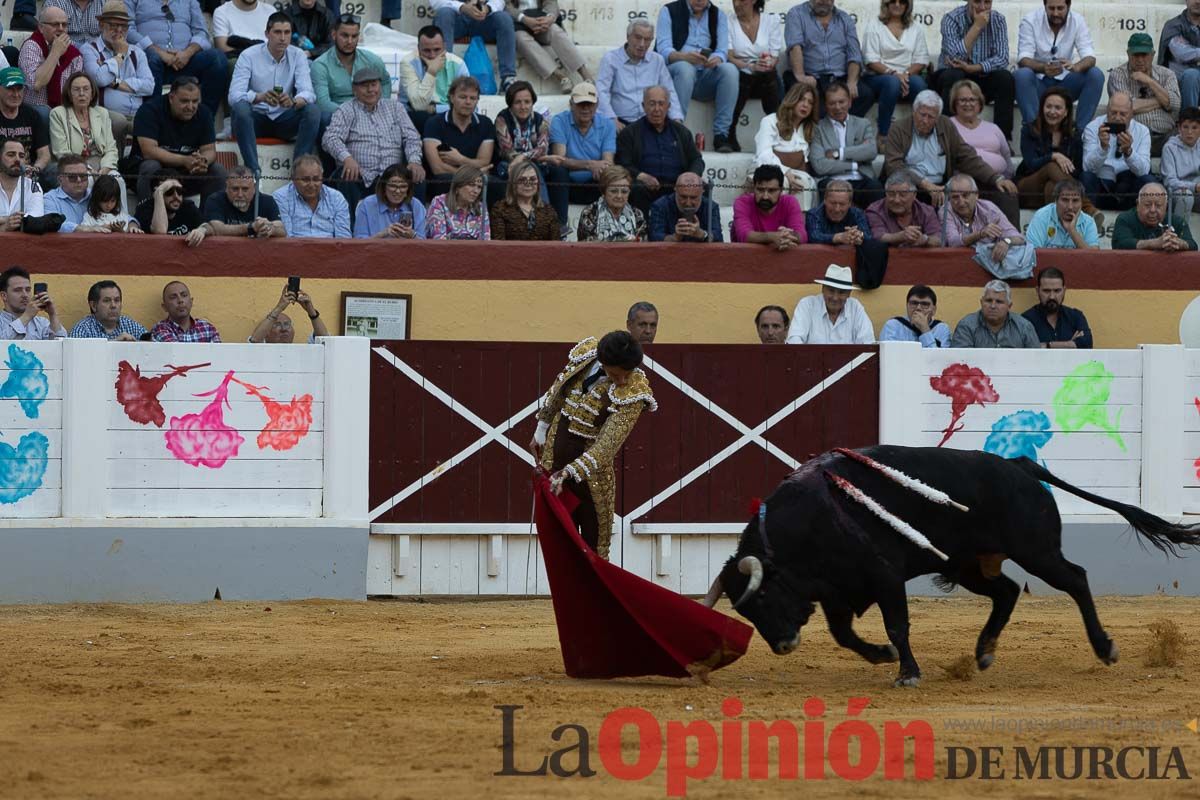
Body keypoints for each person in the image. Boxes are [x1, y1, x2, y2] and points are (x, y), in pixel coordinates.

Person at [530, 330, 656, 560]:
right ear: (603, 362)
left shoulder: (635, 393)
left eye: (628, 374)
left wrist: (568, 472)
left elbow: (605, 447)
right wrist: (541, 430)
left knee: (595, 550)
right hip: (554, 462)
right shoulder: (586, 356)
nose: (622, 381)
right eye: (617, 374)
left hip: (592, 481)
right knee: (559, 545)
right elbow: (559, 389)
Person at [884, 89, 1020, 226]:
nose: (925, 120)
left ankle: (1013, 240)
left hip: (941, 186)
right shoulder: (898, 128)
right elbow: (894, 167)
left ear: (937, 117)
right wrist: (925, 184)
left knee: (1004, 193)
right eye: (922, 115)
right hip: (909, 186)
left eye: (930, 117)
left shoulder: (945, 125)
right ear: (914, 112)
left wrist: (995, 178)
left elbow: (966, 156)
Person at [322, 66, 424, 217]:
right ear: (354, 89)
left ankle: (416, 232)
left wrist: (415, 161)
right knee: (345, 174)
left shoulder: (395, 108)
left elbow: (412, 137)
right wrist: (347, 158)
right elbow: (330, 138)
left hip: (393, 176)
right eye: (365, 86)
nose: (371, 90)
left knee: (417, 175)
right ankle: (350, 232)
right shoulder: (346, 110)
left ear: (380, 86)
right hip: (361, 175)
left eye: (374, 85)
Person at [228, 13, 320, 179]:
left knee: (312, 110)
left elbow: (308, 93)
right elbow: (234, 95)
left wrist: (293, 101)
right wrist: (259, 97)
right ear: (267, 34)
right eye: (277, 32)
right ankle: (253, 171)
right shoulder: (248, 55)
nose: (283, 38)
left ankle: (299, 171)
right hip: (255, 119)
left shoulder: (298, 54)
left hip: (284, 118)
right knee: (240, 108)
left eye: (287, 32)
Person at [656, 0, 740, 153]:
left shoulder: (718, 15)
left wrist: (716, 58)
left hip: (705, 71)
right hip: (676, 70)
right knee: (685, 68)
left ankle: (721, 135)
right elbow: (662, 49)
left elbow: (722, 50)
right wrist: (683, 56)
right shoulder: (668, 10)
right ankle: (676, 129)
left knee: (730, 70)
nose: (700, 1)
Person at [131, 76, 226, 204]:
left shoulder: (204, 113)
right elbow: (149, 151)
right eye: (184, 101)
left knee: (217, 170)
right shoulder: (150, 110)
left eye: (195, 101)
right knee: (151, 165)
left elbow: (209, 150)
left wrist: (202, 161)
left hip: (185, 173)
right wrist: (184, 160)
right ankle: (147, 216)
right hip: (153, 172)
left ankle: (209, 220)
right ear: (171, 98)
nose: (190, 107)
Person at [1014, 0, 1103, 136]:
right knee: (1022, 75)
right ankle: (1034, 132)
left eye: (1060, 8)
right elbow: (1023, 58)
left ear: (1069, 6)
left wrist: (1076, 67)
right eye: (1051, 8)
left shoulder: (1078, 21)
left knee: (1095, 75)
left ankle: (1080, 133)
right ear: (1044, 6)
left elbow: (1090, 57)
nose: (1055, 13)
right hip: (1039, 85)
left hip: (1066, 84)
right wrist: (1043, 68)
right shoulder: (1030, 20)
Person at [126, 0, 230, 116]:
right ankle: (153, 121)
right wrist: (160, 53)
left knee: (217, 59)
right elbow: (128, 31)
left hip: (185, 61)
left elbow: (201, 32)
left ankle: (204, 119)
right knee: (151, 58)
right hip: (150, 61)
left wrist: (187, 53)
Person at [615, 85, 704, 215]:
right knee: (637, 188)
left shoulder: (681, 132)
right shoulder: (630, 133)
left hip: (677, 187)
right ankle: (643, 232)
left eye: (661, 104)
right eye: (652, 104)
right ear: (643, 106)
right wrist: (642, 176)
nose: (657, 109)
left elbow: (697, 159)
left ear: (668, 106)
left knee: (701, 187)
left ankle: (699, 233)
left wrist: (688, 178)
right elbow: (623, 163)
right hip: (645, 187)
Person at [1015, 86, 1100, 224]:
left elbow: (1078, 170)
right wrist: (1054, 156)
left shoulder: (1074, 133)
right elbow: (1030, 163)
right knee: (1051, 166)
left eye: (1058, 108)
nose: (1052, 112)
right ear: (1042, 108)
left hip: (1056, 192)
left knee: (1052, 187)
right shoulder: (1029, 129)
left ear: (1066, 112)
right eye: (1048, 107)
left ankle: (1057, 236)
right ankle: (1086, 207)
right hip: (1028, 187)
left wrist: (1062, 170)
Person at [933, 0, 1014, 142]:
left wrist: (973, 68)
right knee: (953, 75)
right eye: (977, 1)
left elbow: (1002, 59)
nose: (982, 7)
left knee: (1005, 78)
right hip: (954, 76)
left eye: (987, 2)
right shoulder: (951, 19)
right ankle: (946, 138)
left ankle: (1003, 139)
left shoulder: (998, 20)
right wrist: (977, 27)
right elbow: (954, 57)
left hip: (982, 75)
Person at [783, 0, 873, 119]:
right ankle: (823, 132)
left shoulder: (845, 18)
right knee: (813, 105)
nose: (823, 1)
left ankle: (841, 130)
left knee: (865, 94)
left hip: (839, 77)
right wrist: (801, 76)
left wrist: (851, 82)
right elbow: (795, 47)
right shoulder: (796, 14)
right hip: (811, 76)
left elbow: (854, 54)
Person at [50, 71, 126, 206]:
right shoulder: (58, 114)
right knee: (88, 181)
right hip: (77, 166)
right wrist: (88, 170)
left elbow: (111, 148)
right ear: (69, 93)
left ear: (92, 93)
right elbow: (61, 151)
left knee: (117, 179)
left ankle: (122, 221)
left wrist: (105, 168)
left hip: (101, 163)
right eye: (76, 89)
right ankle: (90, 221)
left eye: (86, 89)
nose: (81, 94)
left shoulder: (102, 113)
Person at [82, 0, 154, 144]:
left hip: (136, 114)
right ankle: (117, 164)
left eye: (124, 26)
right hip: (104, 114)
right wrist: (119, 55)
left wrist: (114, 83)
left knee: (154, 121)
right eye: (114, 26)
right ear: (101, 25)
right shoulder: (89, 49)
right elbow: (100, 80)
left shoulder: (137, 52)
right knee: (119, 122)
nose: (120, 30)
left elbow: (149, 86)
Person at [545, 82, 615, 224]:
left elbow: (608, 162)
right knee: (558, 170)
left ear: (596, 105)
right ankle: (561, 225)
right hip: (566, 184)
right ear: (571, 104)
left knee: (612, 174)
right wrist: (590, 165)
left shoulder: (607, 124)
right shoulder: (559, 120)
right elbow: (559, 159)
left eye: (589, 104)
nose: (585, 108)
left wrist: (600, 167)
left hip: (593, 184)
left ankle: (609, 227)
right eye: (580, 104)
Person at [859, 0, 929, 138]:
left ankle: (921, 132)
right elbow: (870, 60)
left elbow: (921, 60)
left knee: (919, 85)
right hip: (878, 76)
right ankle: (883, 134)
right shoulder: (874, 25)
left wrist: (905, 74)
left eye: (902, 2)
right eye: (893, 1)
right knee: (892, 83)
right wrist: (894, 74)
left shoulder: (916, 28)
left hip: (907, 75)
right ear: (886, 3)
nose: (897, 5)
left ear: (908, 5)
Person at [596, 21, 683, 129]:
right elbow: (601, 91)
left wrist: (676, 118)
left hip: (650, 123)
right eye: (638, 37)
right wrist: (611, 119)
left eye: (647, 40)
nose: (642, 44)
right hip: (621, 122)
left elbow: (669, 91)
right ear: (628, 37)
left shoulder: (657, 60)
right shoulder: (610, 59)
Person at [422, 75, 496, 199]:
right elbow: (438, 168)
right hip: (444, 181)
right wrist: (473, 176)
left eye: (473, 98)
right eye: (462, 97)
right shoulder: (434, 123)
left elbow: (484, 161)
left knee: (495, 184)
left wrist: (460, 159)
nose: (468, 102)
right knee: (445, 179)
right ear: (452, 98)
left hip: (473, 180)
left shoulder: (485, 123)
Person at [808, 81, 881, 207]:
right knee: (827, 189)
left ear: (850, 102)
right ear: (825, 105)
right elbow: (820, 165)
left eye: (841, 102)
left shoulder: (863, 124)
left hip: (860, 179)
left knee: (876, 188)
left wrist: (839, 154)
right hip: (832, 180)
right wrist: (854, 163)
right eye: (832, 103)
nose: (837, 107)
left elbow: (871, 151)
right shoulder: (817, 128)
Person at [312, 13, 392, 127]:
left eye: (354, 36)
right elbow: (323, 104)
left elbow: (385, 81)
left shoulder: (372, 60)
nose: (350, 41)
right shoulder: (320, 65)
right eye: (344, 36)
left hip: (371, 114)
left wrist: (380, 106)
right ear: (334, 35)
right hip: (339, 116)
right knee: (325, 118)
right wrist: (355, 114)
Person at [1080, 92, 1155, 212]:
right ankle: (1090, 217)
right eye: (1113, 112)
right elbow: (1087, 168)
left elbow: (1144, 171)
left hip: (1128, 189)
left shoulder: (1142, 131)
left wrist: (1129, 152)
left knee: (1148, 181)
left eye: (1123, 114)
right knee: (1086, 177)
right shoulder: (1093, 127)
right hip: (1102, 186)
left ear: (1131, 113)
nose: (1118, 117)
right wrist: (1102, 148)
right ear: (1107, 110)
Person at [1108, 34, 1181, 157]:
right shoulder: (1118, 74)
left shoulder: (1167, 74)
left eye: (1144, 55)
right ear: (1128, 54)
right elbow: (1129, 107)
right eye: (1136, 55)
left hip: (1166, 136)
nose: (1140, 59)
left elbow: (1175, 105)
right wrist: (1161, 101)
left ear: (1152, 55)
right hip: (1132, 137)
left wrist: (1150, 82)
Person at [728, 0, 783, 149]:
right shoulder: (729, 22)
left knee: (770, 76)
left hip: (765, 73)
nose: (737, 4)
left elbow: (775, 55)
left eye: (741, 0)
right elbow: (729, 56)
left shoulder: (771, 20)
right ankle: (730, 132)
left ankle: (778, 130)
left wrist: (767, 63)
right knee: (745, 78)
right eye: (734, 0)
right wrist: (750, 66)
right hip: (741, 72)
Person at [505, 0, 592, 94]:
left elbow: (551, 3)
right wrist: (524, 19)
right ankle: (561, 77)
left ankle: (586, 76)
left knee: (555, 31)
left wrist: (550, 18)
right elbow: (506, 6)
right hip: (518, 23)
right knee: (520, 39)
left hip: (541, 19)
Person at [753, 82, 817, 206]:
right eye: (801, 100)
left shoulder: (809, 129)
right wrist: (786, 172)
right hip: (767, 169)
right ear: (792, 100)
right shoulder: (770, 121)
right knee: (782, 183)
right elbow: (763, 154)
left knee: (802, 183)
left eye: (810, 102)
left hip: (797, 172)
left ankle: (799, 223)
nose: (805, 105)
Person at [431, 0, 517, 93]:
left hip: (482, 19)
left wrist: (487, 8)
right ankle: (443, 75)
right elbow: (436, 2)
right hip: (456, 18)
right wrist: (462, 7)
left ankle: (508, 78)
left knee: (504, 18)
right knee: (444, 13)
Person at [17, 7, 84, 124]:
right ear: (41, 27)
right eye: (55, 25)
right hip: (35, 109)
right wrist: (55, 53)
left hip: (65, 110)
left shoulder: (74, 55)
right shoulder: (31, 46)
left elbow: (77, 89)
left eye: (64, 25)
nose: (61, 29)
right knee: (46, 114)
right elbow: (36, 83)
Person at [397, 25, 466, 133]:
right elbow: (419, 105)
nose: (432, 55)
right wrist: (432, 71)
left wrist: (435, 109)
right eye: (427, 51)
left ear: (444, 46)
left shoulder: (458, 64)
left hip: (448, 116)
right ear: (418, 48)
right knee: (423, 118)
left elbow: (467, 105)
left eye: (437, 50)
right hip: (414, 117)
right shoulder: (408, 63)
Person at [940, 174, 1024, 262]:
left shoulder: (989, 208)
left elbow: (1018, 237)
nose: (961, 202)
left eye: (965, 195)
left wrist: (1006, 241)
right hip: (957, 263)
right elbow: (953, 242)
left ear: (976, 194)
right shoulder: (945, 210)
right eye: (955, 197)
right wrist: (980, 234)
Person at [785, 263, 874, 345]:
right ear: (823, 289)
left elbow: (867, 343)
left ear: (849, 294)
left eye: (841, 292)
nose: (835, 298)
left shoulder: (855, 308)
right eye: (831, 290)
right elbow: (794, 341)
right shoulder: (807, 305)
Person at [273, 153, 351, 237]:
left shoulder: (336, 198)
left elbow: (343, 239)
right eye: (305, 180)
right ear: (293, 179)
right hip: (295, 249)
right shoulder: (281, 197)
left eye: (316, 179)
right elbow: (286, 238)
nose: (311, 185)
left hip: (331, 249)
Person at [732, 163, 807, 249]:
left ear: (781, 190)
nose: (765, 196)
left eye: (771, 191)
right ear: (754, 188)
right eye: (760, 190)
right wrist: (772, 237)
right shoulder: (742, 203)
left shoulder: (790, 202)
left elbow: (802, 236)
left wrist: (787, 235)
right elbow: (744, 235)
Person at [948, 79, 1012, 178]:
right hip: (964, 185)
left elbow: (1006, 156)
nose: (968, 104)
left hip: (998, 181)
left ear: (980, 103)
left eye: (972, 99)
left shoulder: (993, 128)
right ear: (955, 103)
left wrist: (1008, 179)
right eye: (962, 100)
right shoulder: (948, 125)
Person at [950, 279, 1040, 348]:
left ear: (1009, 305)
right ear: (981, 302)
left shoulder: (1024, 327)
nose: (993, 306)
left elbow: (1037, 361)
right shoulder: (966, 326)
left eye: (999, 302)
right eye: (988, 301)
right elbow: (960, 364)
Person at [203, 164, 285, 238]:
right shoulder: (215, 200)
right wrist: (251, 227)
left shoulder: (267, 201)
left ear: (254, 189)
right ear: (226, 188)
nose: (240, 194)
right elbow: (217, 229)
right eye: (235, 189)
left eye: (245, 189)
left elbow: (282, 230)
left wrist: (270, 229)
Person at [1112, 182, 1198, 251]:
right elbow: (1120, 244)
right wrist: (1154, 243)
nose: (1153, 210)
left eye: (1158, 205)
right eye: (1148, 205)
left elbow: (1193, 245)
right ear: (1138, 204)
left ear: (1166, 206)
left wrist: (1179, 243)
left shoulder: (1177, 221)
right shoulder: (1125, 219)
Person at [493, 80, 549, 187]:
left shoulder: (540, 120)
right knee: (530, 169)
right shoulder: (502, 120)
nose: (523, 107)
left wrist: (523, 156)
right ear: (510, 104)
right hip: (508, 164)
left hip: (535, 164)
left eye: (527, 102)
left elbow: (542, 150)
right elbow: (508, 152)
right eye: (518, 102)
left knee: (557, 171)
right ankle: (540, 204)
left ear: (533, 102)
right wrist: (525, 158)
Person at [0, 68, 52, 181]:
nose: (16, 94)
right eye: (10, 89)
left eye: (19, 89)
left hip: (28, 172)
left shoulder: (32, 115)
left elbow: (44, 154)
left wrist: (34, 170)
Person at [1021, 267, 1091, 349]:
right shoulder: (1026, 320)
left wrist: (1047, 345)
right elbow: (1024, 350)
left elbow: (1087, 343)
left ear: (1064, 290)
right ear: (1037, 291)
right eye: (1046, 291)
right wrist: (1070, 344)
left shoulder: (1075, 317)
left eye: (1057, 291)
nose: (1052, 297)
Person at [490, 156, 558, 240]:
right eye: (522, 179)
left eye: (533, 179)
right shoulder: (500, 209)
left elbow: (556, 244)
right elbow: (497, 245)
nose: (528, 183)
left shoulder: (548, 210)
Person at [866, 170, 939, 247]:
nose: (896, 200)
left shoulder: (927, 211)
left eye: (902, 195)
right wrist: (901, 236)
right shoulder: (875, 210)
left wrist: (925, 239)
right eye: (891, 194)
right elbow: (877, 237)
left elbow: (939, 239)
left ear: (914, 195)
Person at [353, 163, 426, 239]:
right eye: (393, 186)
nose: (398, 191)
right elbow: (359, 243)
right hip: (376, 250)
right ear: (384, 187)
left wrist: (412, 235)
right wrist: (384, 234)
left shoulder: (416, 205)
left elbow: (424, 244)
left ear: (408, 189)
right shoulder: (367, 205)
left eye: (403, 186)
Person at [576, 165, 646, 242]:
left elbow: (643, 245)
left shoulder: (637, 214)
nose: (619, 196)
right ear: (603, 192)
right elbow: (585, 246)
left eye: (624, 191)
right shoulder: (590, 213)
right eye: (613, 191)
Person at [1025, 178, 1099, 250]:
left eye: (1075, 200)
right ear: (1056, 201)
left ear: (1081, 203)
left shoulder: (1088, 222)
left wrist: (1072, 231)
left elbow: (1094, 258)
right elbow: (1032, 254)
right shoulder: (1041, 216)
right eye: (1065, 200)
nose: (1070, 207)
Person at [648, 170, 721, 242]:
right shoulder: (660, 206)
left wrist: (701, 234)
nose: (688, 203)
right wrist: (675, 237)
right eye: (683, 197)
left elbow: (718, 237)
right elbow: (654, 237)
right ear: (675, 189)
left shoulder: (711, 207)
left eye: (693, 198)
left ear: (702, 192)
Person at [135, 173, 207, 243]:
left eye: (179, 191)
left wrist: (202, 230)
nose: (176, 196)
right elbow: (160, 231)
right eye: (169, 191)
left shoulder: (187, 206)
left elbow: (208, 226)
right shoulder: (145, 208)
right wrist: (159, 192)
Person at [0, 266, 67, 340]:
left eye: (28, 290)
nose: (25, 295)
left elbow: (62, 346)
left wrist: (53, 315)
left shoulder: (42, 323)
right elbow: (3, 345)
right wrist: (27, 316)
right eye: (18, 290)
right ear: (4, 296)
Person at [425, 164, 490, 240]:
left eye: (479, 187)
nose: (476, 191)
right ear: (458, 187)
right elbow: (439, 240)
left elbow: (485, 241)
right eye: (471, 185)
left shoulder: (481, 207)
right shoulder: (439, 202)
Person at [69, 279, 148, 339]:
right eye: (107, 301)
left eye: (117, 300)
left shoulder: (130, 325)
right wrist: (114, 344)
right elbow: (78, 357)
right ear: (93, 306)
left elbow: (152, 346)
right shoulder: (82, 330)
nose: (113, 305)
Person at [248, 285, 328, 343]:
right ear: (266, 334)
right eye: (277, 325)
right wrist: (279, 308)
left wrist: (311, 312)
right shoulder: (261, 350)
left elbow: (325, 340)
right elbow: (254, 341)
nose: (284, 329)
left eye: (287, 324)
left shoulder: (303, 352)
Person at [879, 284, 951, 347]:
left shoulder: (941, 329)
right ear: (907, 306)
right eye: (914, 303)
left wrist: (925, 330)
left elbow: (938, 359)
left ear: (934, 309)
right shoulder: (893, 326)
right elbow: (888, 357)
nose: (918, 308)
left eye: (925, 304)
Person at [1160, 0, 1200, 110]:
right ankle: (1189, 121)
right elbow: (1182, 53)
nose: (1198, 1)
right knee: (1191, 75)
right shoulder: (1173, 25)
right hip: (1180, 82)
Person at [151, 280, 221, 342]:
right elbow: (176, 354)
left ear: (191, 302)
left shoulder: (208, 329)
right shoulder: (160, 329)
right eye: (173, 297)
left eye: (184, 295)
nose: (180, 300)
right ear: (164, 307)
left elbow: (218, 355)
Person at [805, 179, 871, 245]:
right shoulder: (814, 214)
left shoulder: (857, 213)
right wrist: (839, 237)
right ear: (825, 200)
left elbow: (868, 236)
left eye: (842, 204)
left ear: (850, 203)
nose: (837, 209)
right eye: (833, 203)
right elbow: (814, 236)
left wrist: (858, 235)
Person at [1162, 107, 1200, 216]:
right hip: (1177, 193)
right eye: (1185, 127)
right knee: (1186, 197)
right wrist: (1195, 187)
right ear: (1179, 128)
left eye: (1194, 128)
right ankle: (1181, 232)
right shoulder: (1169, 148)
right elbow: (1170, 182)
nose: (1189, 132)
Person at [0, 138, 44, 227]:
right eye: (11, 155)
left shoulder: (33, 186)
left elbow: (35, 218)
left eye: (21, 156)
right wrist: (5, 224)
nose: (17, 160)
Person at [42, 154, 90, 231]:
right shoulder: (49, 199)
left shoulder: (96, 196)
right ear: (60, 180)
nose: (79, 180)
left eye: (83, 176)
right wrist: (81, 229)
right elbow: (51, 223)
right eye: (72, 177)